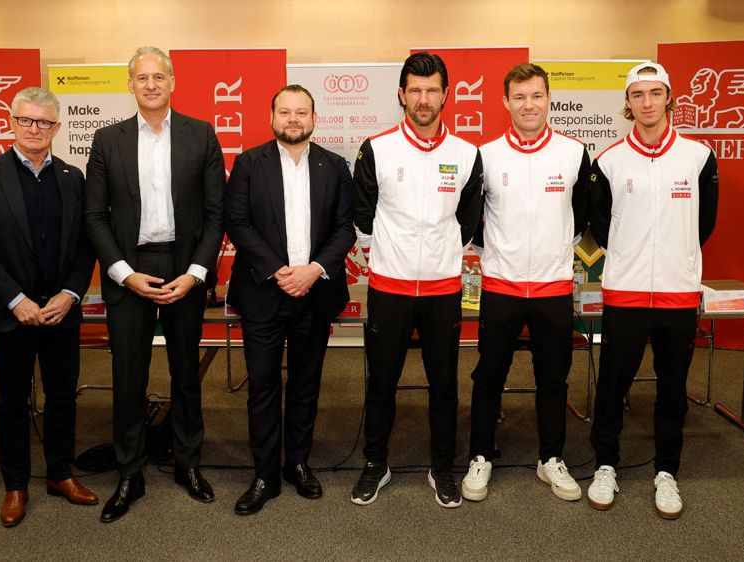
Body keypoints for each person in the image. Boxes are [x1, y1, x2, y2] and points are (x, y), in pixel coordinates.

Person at [84, 46, 225, 523]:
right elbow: (94, 217)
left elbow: (215, 214)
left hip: (185, 267)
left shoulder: (201, 134)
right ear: (130, 86)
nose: (150, 84)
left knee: (187, 374)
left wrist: (195, 274)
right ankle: (130, 473)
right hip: (130, 268)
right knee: (129, 378)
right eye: (141, 77)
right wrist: (123, 272)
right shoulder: (108, 141)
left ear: (172, 82)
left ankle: (188, 463)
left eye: (158, 76)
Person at [0, 87, 98, 527]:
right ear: (11, 122)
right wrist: (16, 300)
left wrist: (71, 293)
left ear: (57, 128)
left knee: (63, 397)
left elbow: (86, 244)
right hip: (10, 313)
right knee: (12, 401)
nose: (34, 129)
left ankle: (59, 474)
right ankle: (15, 484)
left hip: (60, 312)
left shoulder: (74, 178)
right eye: (26, 120)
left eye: (44, 122)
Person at [587, 62, 719, 519]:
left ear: (669, 98)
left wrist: (675, 260)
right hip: (624, 293)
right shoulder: (608, 161)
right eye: (638, 94)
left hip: (677, 294)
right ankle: (606, 465)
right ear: (628, 103)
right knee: (612, 386)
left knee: (672, 389)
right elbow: (600, 227)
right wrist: (632, 257)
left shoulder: (698, 157)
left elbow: (705, 224)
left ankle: (667, 472)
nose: (647, 102)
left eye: (655, 93)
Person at [351, 52, 483, 508]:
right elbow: (363, 215)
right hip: (389, 288)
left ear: (446, 95)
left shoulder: (467, 155)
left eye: (432, 90)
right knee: (381, 383)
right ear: (401, 94)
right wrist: (388, 259)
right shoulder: (377, 148)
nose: (423, 99)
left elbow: (469, 221)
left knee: (444, 385)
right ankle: (375, 464)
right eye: (415, 90)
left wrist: (441, 257)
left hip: (444, 289)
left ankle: (442, 468)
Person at [461, 63, 590, 503]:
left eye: (536, 96)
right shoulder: (488, 154)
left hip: (553, 289)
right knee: (488, 376)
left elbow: (582, 217)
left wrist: (555, 251)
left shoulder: (574, 153)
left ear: (549, 99)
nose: (528, 105)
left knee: (553, 379)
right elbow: (473, 218)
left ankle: (550, 458)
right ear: (506, 102)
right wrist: (499, 255)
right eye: (519, 97)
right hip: (500, 287)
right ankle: (480, 455)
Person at [224, 85, 355, 515]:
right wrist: (279, 270)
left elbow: (345, 228)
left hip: (314, 293)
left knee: (305, 385)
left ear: (315, 119)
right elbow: (237, 223)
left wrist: (313, 270)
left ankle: (297, 463)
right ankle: (264, 473)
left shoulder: (335, 166)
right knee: (262, 386)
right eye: (285, 112)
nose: (293, 119)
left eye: (301, 112)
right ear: (272, 117)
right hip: (264, 292)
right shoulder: (248, 163)